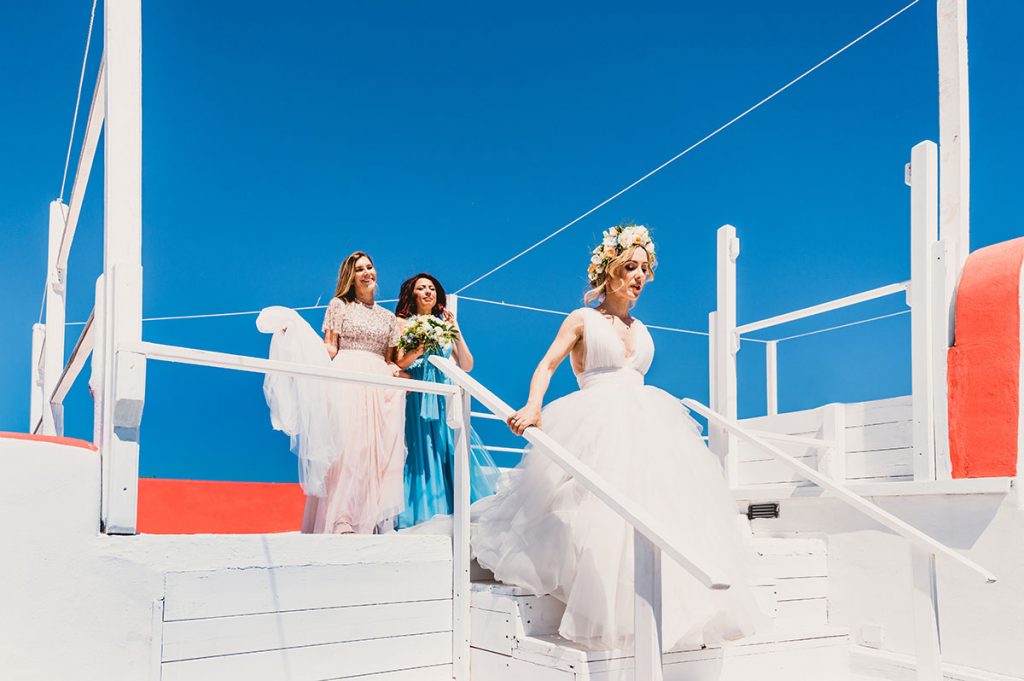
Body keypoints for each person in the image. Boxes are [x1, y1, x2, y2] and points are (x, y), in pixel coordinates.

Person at [472, 223, 762, 650]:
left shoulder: (643, 329)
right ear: (608, 272)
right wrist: (533, 406)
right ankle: (612, 604)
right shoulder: (583, 319)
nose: (639, 276)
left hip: (649, 424)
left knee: (664, 506)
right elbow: (548, 365)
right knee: (596, 513)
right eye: (630, 266)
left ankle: (676, 605)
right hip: (594, 420)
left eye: (645, 269)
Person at [257, 251, 406, 534]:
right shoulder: (340, 306)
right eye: (359, 269)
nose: (366, 273)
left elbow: (389, 359)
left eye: (369, 267)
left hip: (378, 383)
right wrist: (297, 338)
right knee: (348, 449)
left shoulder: (389, 318)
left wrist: (395, 370)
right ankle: (341, 518)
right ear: (350, 277)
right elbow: (331, 348)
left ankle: (370, 518)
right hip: (348, 377)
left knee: (375, 453)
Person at [392, 273, 499, 528]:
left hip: (444, 394)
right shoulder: (402, 323)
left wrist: (457, 330)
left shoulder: (445, 326)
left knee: (447, 446)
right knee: (421, 449)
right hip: (418, 396)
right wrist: (416, 350)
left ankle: (456, 510)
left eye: (432, 288)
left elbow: (467, 364)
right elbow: (398, 362)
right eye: (422, 288)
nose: (428, 292)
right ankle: (424, 514)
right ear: (412, 294)